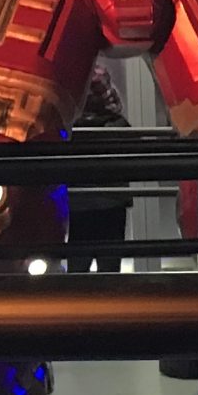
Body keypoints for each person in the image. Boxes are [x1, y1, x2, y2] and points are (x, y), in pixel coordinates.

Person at [65, 64, 131, 273]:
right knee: (110, 266)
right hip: (112, 202)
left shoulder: (69, 129)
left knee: (78, 266)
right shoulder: (119, 126)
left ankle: (76, 294)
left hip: (79, 202)